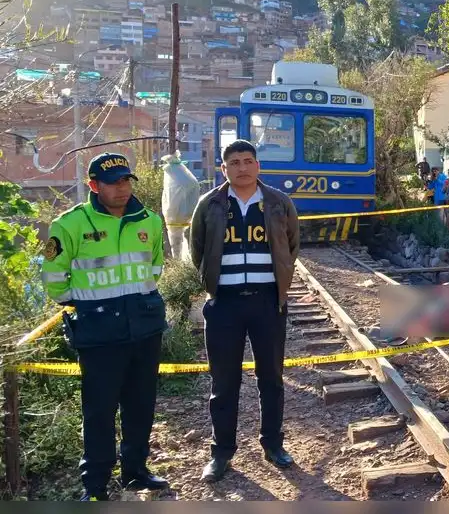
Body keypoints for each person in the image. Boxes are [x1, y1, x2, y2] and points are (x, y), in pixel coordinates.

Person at [41, 152, 170, 501]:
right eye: (114, 183)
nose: (123, 188)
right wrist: (83, 302)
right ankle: (95, 486)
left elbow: (155, 268)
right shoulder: (69, 225)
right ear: (94, 185)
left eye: (127, 181)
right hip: (99, 332)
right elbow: (54, 277)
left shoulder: (150, 222)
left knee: (140, 405)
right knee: (99, 411)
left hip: (144, 328)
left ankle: (135, 472)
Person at [189, 139, 300, 483]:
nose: (242, 167)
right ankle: (221, 452)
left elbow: (291, 246)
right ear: (224, 169)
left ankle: (273, 444)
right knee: (224, 383)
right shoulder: (209, 205)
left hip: (267, 303)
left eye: (248, 161)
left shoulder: (278, 203)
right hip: (224, 305)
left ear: (258, 165)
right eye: (234, 162)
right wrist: (217, 284)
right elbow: (198, 250)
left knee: (272, 378)